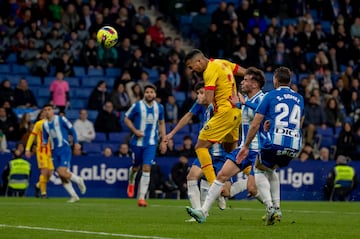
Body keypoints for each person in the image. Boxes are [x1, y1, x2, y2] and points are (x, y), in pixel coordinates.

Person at [186, 67, 266, 223]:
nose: (199, 96)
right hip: (215, 151)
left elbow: (235, 125)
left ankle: (272, 207)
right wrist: (171, 134)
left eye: (202, 92)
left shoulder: (230, 103)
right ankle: (201, 213)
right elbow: (187, 116)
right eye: (199, 93)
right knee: (193, 176)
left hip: (235, 151)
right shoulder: (207, 105)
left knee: (235, 190)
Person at [237, 66, 305, 225]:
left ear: (275, 79)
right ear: (289, 80)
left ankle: (270, 209)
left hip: (275, 142)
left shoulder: (270, 95)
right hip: (294, 145)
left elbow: (255, 124)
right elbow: (299, 122)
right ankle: (278, 207)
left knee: (259, 168)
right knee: (271, 169)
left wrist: (246, 145)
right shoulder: (300, 98)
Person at [184, 49, 245, 186]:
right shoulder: (222, 63)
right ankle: (251, 175)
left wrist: (201, 99)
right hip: (236, 113)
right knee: (231, 151)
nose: (192, 70)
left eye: (191, 66)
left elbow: (208, 99)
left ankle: (213, 185)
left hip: (224, 113)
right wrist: (240, 92)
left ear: (199, 61)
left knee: (200, 147)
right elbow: (246, 74)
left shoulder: (209, 71)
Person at [124, 84, 167, 207]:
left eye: (151, 92)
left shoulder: (159, 108)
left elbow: (162, 123)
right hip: (136, 143)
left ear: (155, 94)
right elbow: (126, 118)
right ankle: (131, 180)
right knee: (136, 167)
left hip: (151, 143)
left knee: (147, 168)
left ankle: (141, 198)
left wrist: (164, 140)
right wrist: (135, 130)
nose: (149, 94)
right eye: (147, 92)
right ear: (144, 94)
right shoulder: (137, 106)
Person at [42, 104, 86, 203]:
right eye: (45, 110)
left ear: (53, 111)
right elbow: (45, 137)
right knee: (61, 175)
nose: (47, 111)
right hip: (54, 151)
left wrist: (76, 142)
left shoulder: (61, 119)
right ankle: (74, 196)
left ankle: (79, 180)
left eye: (49, 109)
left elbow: (72, 129)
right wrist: (44, 144)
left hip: (64, 148)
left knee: (62, 171)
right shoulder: (44, 125)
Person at [25, 109, 54, 198]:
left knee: (50, 173)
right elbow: (32, 136)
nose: (46, 113)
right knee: (44, 171)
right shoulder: (38, 124)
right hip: (41, 151)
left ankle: (38, 185)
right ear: (41, 115)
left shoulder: (52, 124)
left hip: (50, 152)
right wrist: (27, 149)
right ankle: (43, 193)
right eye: (44, 112)